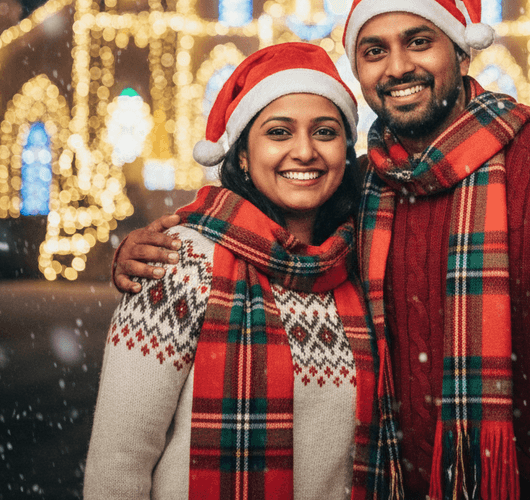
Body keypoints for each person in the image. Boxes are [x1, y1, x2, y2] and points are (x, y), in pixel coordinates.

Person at [115, 0, 530, 500]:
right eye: (374, 51)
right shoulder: (361, 191)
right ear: (358, 72)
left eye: (419, 41)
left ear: (459, 47)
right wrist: (154, 245)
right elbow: (272, 238)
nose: (398, 67)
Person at [85, 43, 402, 500]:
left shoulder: (359, 267)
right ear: (243, 158)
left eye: (325, 132)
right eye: (278, 132)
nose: (305, 151)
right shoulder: (180, 265)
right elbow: (117, 467)